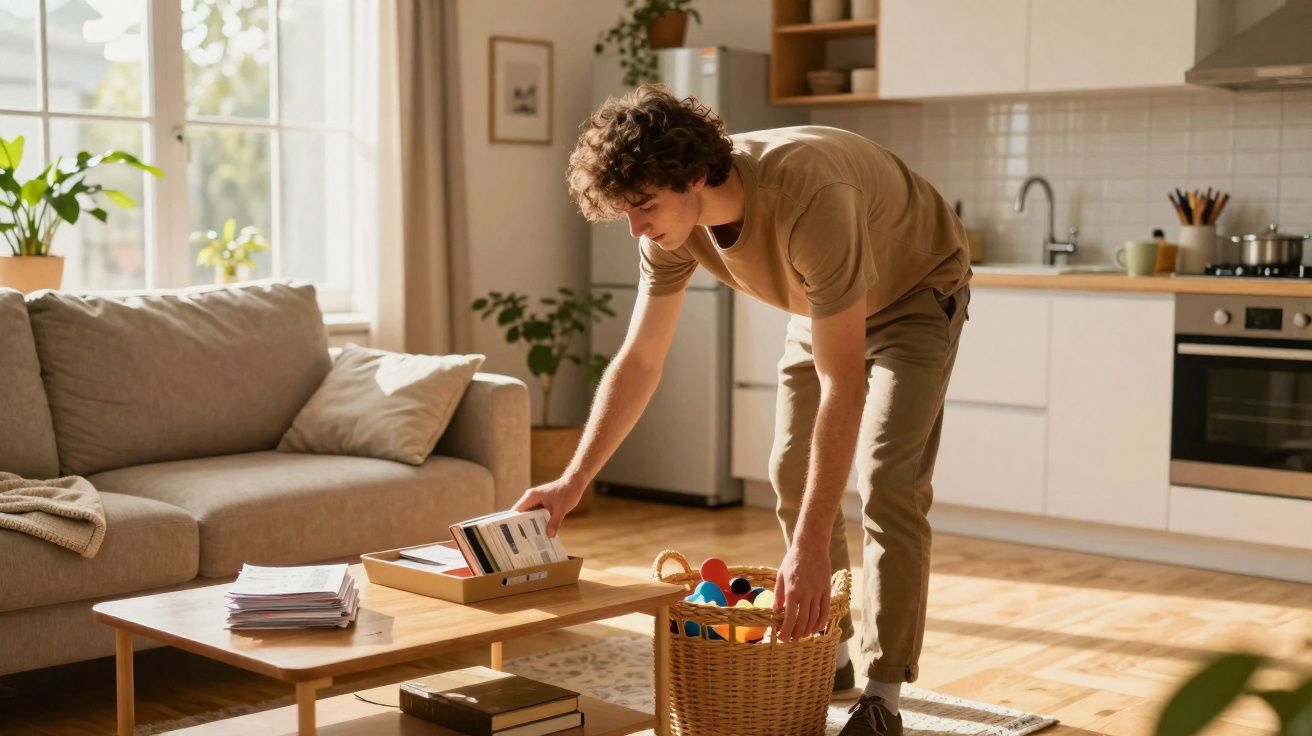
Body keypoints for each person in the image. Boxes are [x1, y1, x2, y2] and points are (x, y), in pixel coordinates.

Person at [513, 84, 970, 736]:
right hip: (823, 297)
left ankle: (884, 693)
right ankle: (828, 651)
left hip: (915, 289)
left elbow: (844, 385)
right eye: (626, 212)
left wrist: (811, 549)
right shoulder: (668, 231)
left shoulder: (809, 197)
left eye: (642, 207)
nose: (637, 229)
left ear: (694, 173)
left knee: (888, 481)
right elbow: (640, 361)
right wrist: (572, 481)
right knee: (788, 467)